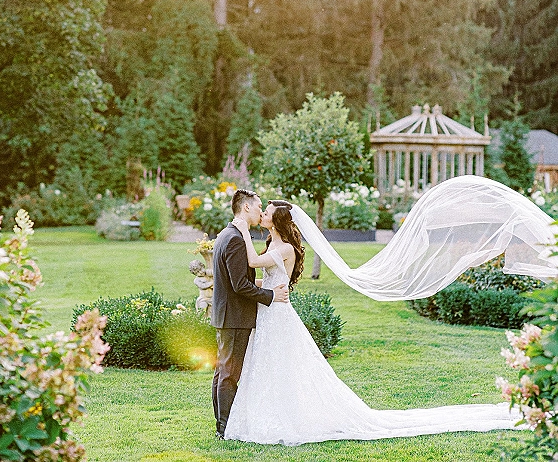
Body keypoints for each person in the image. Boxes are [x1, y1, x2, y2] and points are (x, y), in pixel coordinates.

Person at [223, 193, 542, 445]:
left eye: (266, 212)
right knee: (272, 366)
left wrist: (241, 229)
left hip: (278, 316)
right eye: (260, 210)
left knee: (284, 367)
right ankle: (272, 412)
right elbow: (269, 276)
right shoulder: (275, 243)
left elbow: (252, 260)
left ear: (276, 221)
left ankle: (288, 417)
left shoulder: (284, 248)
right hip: (271, 312)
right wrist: (266, 286)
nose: (261, 213)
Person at [210, 188, 289, 439]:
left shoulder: (228, 233)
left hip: (228, 315)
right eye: (257, 207)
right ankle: (224, 429)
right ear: (246, 208)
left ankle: (222, 425)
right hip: (234, 317)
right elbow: (240, 285)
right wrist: (271, 296)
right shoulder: (234, 238)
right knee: (229, 375)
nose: (260, 212)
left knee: (223, 372)